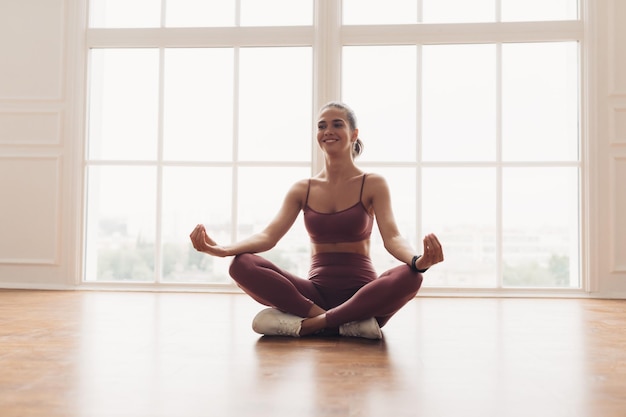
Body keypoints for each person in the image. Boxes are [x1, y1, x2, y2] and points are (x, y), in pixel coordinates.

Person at [190, 102, 444, 339]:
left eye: (337, 124)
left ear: (354, 134)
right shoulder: (303, 188)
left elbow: (393, 238)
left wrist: (417, 261)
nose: (328, 131)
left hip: (363, 296)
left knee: (412, 277)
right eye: (322, 126)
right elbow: (268, 236)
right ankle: (343, 323)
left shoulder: (373, 183)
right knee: (241, 265)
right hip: (314, 295)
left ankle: (311, 325)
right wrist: (223, 250)